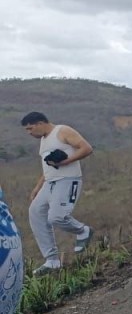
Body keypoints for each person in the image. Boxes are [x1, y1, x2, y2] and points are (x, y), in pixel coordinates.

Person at [21, 111, 95, 275]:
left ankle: (83, 230)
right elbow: (48, 166)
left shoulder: (62, 131)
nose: (29, 133)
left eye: (30, 128)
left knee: (56, 217)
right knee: (35, 213)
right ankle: (52, 260)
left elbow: (87, 148)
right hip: (49, 182)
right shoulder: (43, 140)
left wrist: (66, 161)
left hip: (68, 180)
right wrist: (37, 187)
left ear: (40, 123)